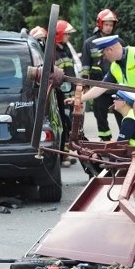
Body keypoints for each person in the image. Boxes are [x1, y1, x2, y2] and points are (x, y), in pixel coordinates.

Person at [71, 35, 135, 134]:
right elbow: (102, 86)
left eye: (104, 54)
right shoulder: (114, 67)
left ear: (110, 50)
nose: (104, 58)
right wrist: (79, 99)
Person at [80, 9, 124, 141]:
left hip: (117, 87)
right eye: (106, 24)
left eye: (111, 25)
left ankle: (125, 140)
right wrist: (85, 86)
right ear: (100, 24)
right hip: (98, 86)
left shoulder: (119, 42)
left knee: (121, 114)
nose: (109, 27)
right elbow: (85, 67)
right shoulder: (89, 43)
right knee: (100, 114)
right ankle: (105, 139)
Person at [54, 20, 78, 168]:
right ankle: (63, 155)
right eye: (66, 34)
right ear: (59, 35)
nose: (68, 36)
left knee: (70, 123)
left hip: (70, 91)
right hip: (60, 94)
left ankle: (66, 153)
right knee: (63, 122)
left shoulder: (66, 49)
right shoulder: (52, 52)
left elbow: (71, 70)